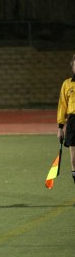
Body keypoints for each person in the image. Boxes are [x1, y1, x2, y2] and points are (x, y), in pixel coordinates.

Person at [57, 54, 75, 184]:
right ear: (73, 66)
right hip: (73, 122)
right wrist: (60, 128)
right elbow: (62, 105)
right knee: (74, 160)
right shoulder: (67, 84)